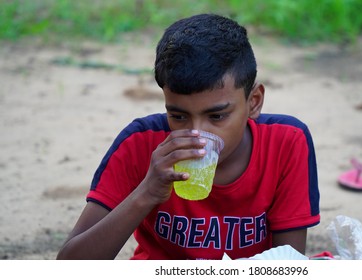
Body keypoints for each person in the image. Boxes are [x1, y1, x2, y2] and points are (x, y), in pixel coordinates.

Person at [57, 13, 320, 260]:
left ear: (254, 102)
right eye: (179, 116)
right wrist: (147, 192)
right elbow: (69, 265)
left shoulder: (285, 143)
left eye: (217, 116)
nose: (197, 134)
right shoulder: (141, 142)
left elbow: (288, 263)